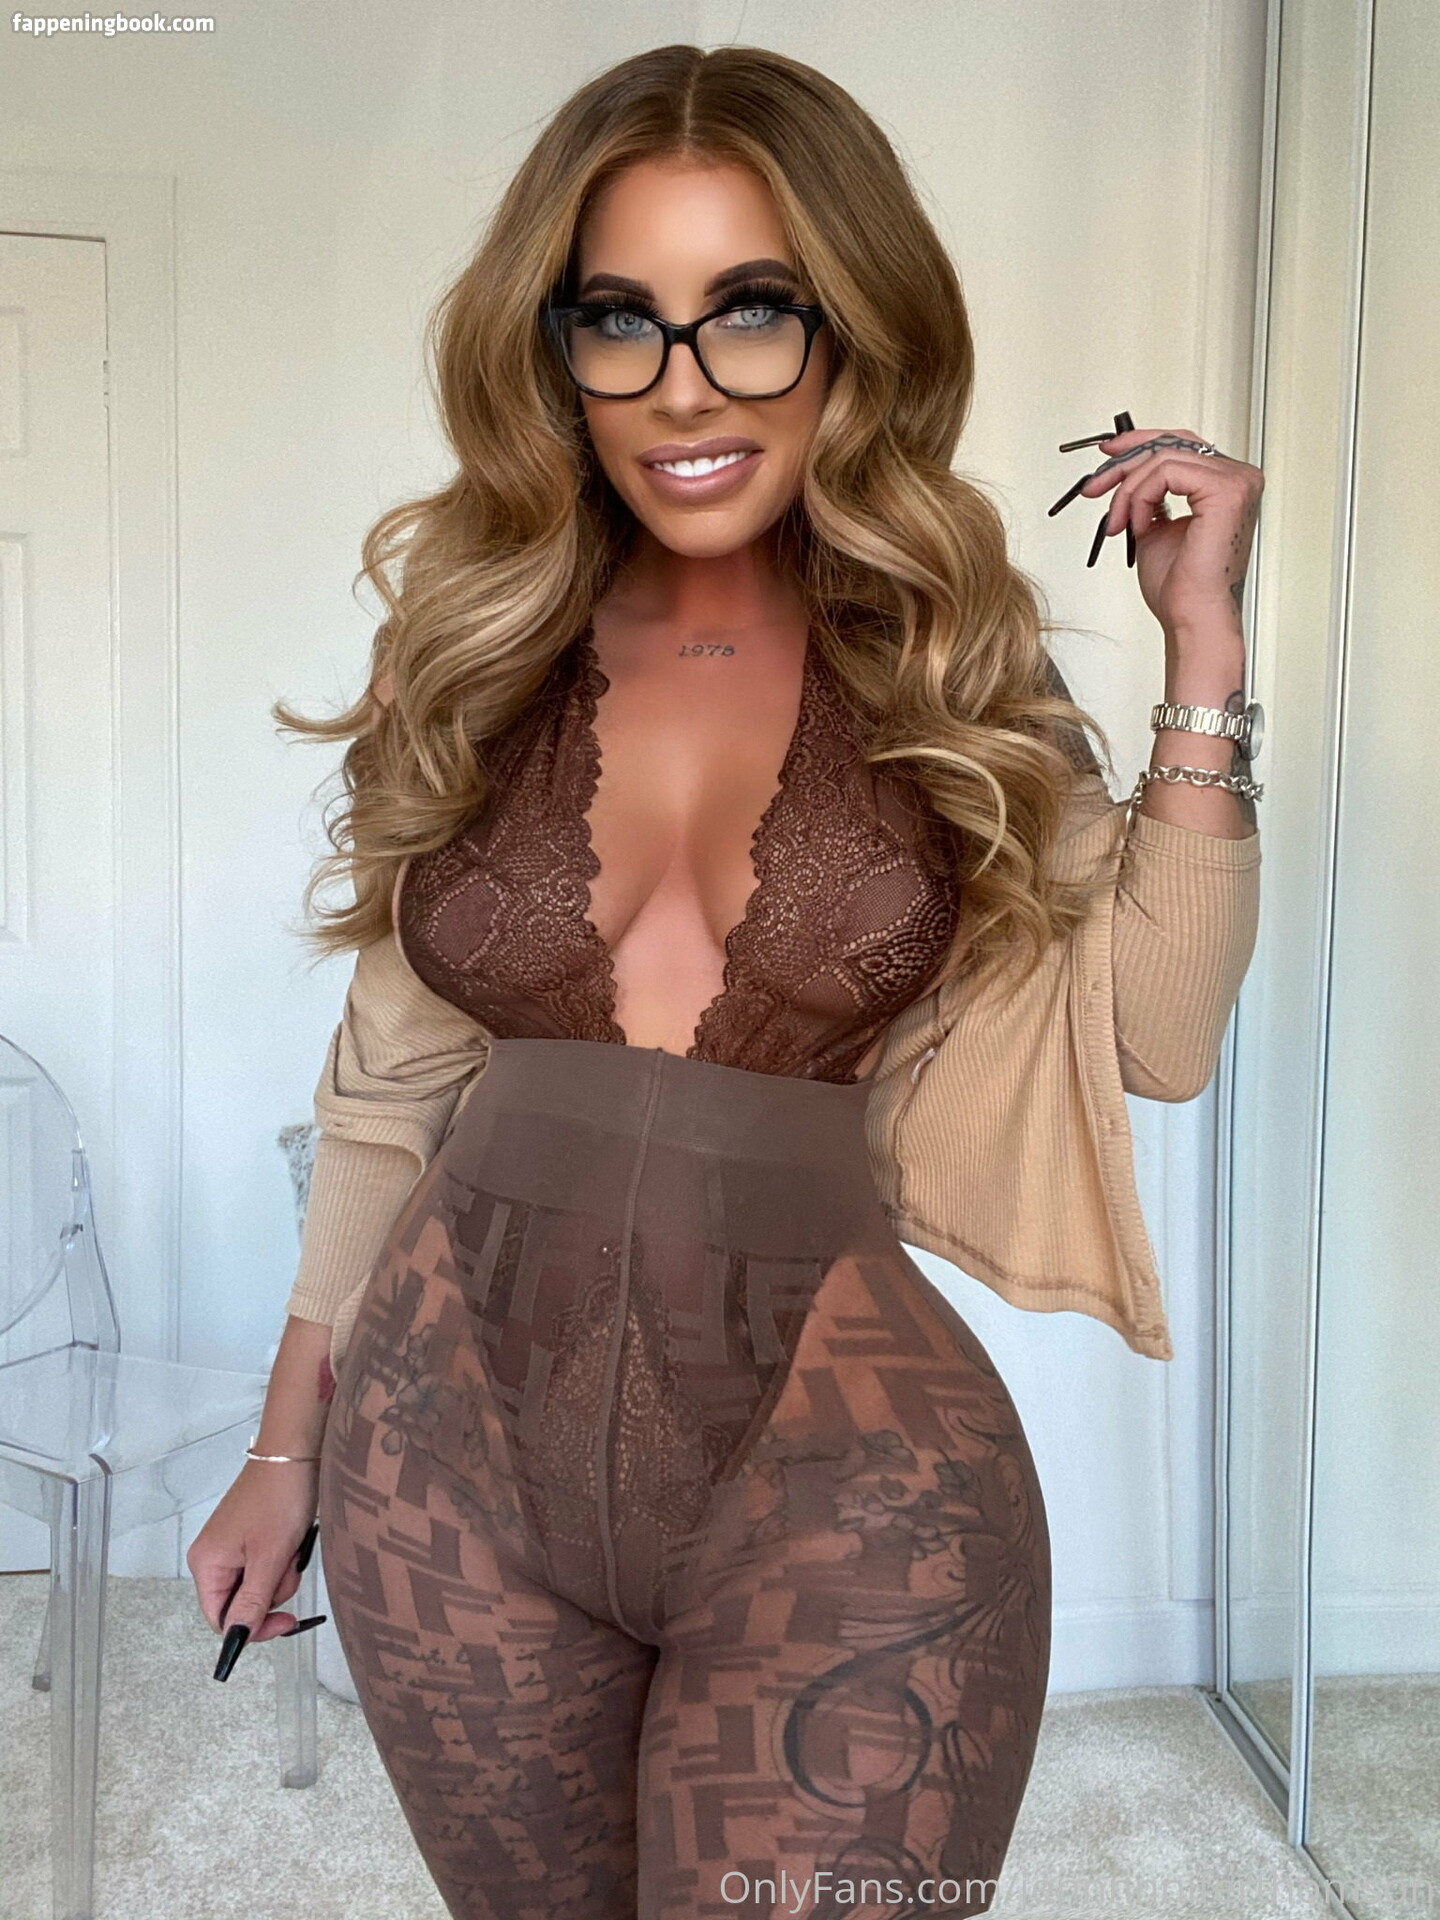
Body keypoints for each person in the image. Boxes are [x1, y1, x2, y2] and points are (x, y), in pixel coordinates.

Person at [187, 43, 1262, 1920]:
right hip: (446, 1469)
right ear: (557, 353)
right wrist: (287, 1447)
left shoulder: (955, 681)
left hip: (847, 1482)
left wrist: (1203, 656)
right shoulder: (481, 650)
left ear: (854, 332)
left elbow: (1160, 1039)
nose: (682, 385)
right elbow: (384, 1094)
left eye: (752, 310)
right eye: (622, 319)